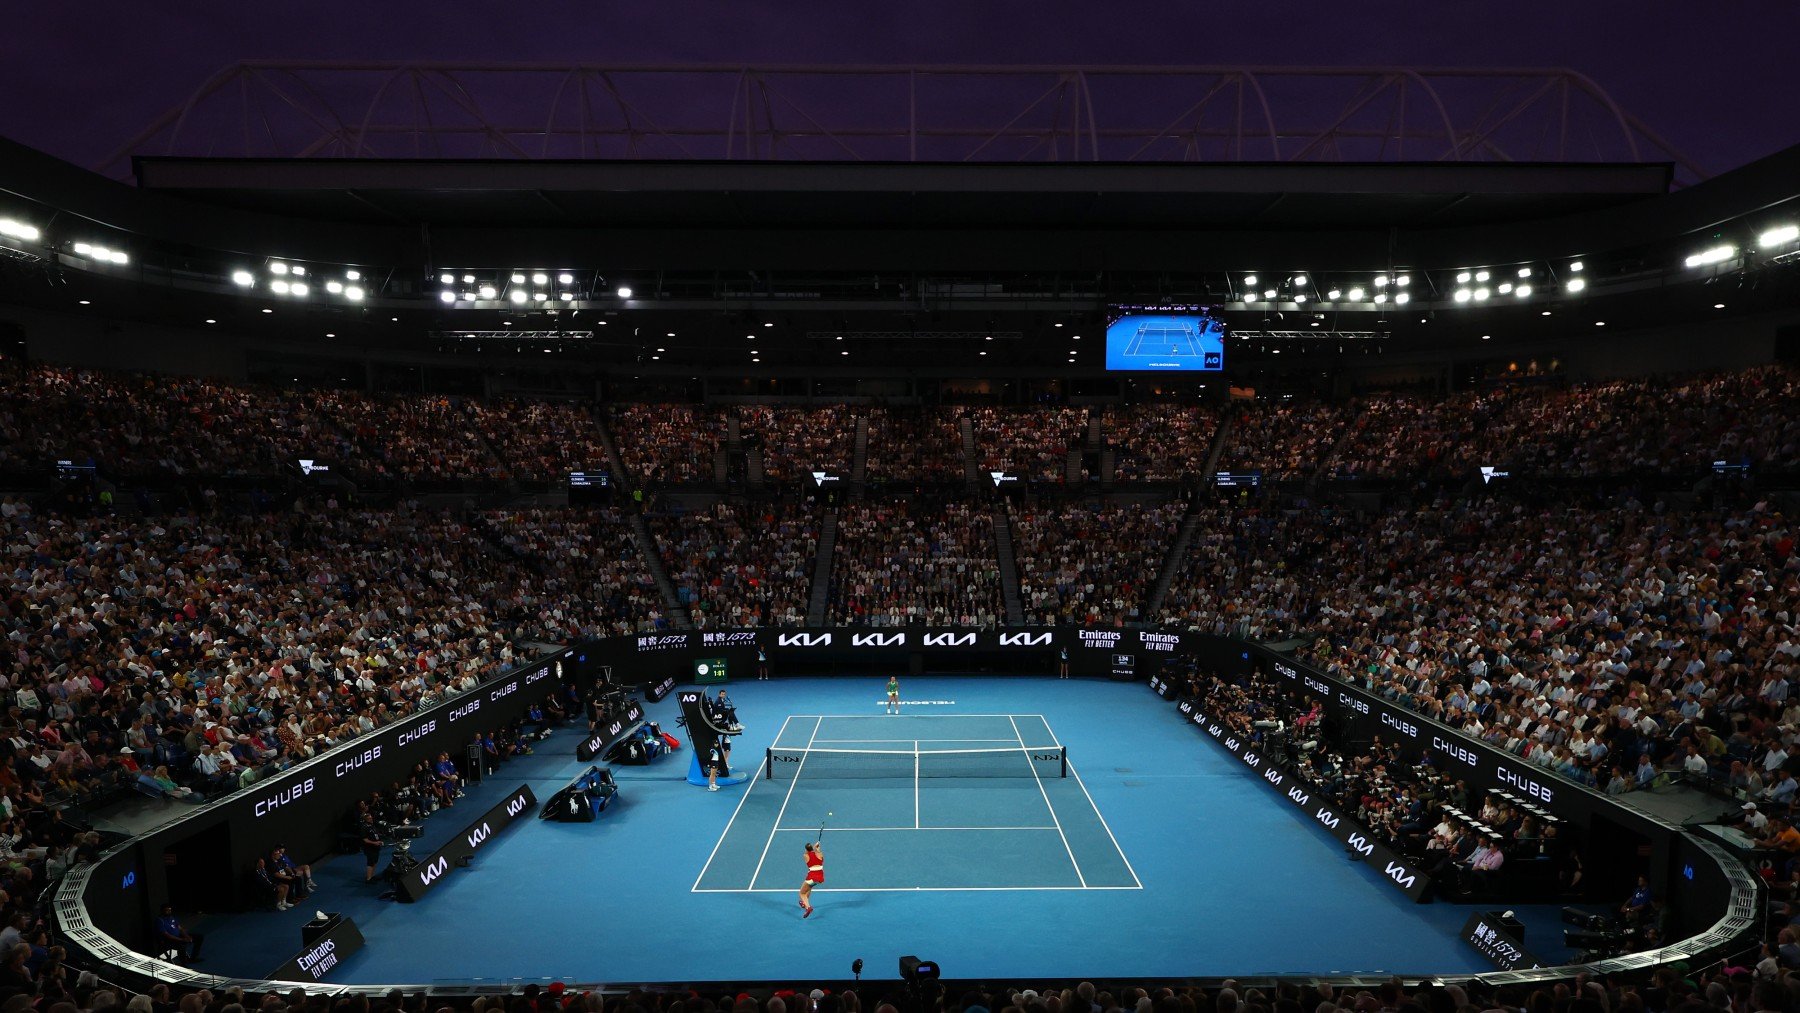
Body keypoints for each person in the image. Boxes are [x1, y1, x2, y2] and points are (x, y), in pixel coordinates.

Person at [799, 840, 824, 918]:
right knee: (809, 887)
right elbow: (818, 854)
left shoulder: (805, 856)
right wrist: (816, 849)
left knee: (802, 893)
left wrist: (812, 848)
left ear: (806, 849)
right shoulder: (820, 854)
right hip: (820, 877)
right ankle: (804, 903)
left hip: (812, 876)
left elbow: (807, 853)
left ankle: (808, 908)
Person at [359, 817, 384, 885]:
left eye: (371, 818)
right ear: (365, 820)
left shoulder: (372, 826)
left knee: (375, 861)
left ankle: (372, 876)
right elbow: (365, 840)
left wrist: (379, 841)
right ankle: (368, 879)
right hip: (369, 848)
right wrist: (374, 843)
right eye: (369, 818)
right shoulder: (364, 828)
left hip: (376, 847)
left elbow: (376, 834)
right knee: (370, 862)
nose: (371, 819)